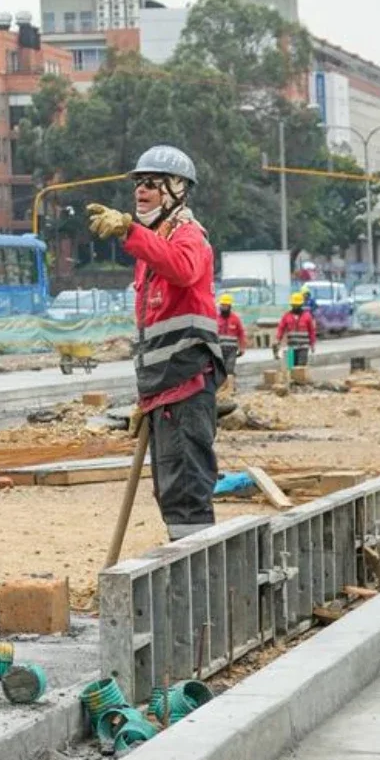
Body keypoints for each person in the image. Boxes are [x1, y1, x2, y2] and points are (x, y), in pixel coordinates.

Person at [86, 145, 224, 541]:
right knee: (169, 488)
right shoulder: (152, 248)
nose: (140, 191)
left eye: (151, 183)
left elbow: (183, 269)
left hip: (187, 385)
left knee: (186, 488)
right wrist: (146, 397)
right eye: (138, 184)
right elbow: (154, 332)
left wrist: (130, 231)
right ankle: (183, 556)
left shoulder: (189, 236)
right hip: (164, 389)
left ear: (177, 188)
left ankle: (195, 564)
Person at [276, 292, 318, 368]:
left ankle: (300, 375)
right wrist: (278, 339)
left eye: (297, 305)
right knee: (290, 367)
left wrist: (312, 344)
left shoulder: (307, 316)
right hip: (291, 346)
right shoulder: (287, 316)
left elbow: (311, 331)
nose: (295, 307)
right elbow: (281, 328)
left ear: (301, 305)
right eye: (294, 305)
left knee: (301, 367)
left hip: (303, 346)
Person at [216, 293, 247, 373]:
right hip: (218, 349)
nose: (223, 307)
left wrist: (242, 348)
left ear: (229, 306)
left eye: (225, 305)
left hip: (232, 350)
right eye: (222, 305)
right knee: (219, 370)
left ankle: (230, 379)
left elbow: (241, 334)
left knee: (229, 369)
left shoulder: (235, 319)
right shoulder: (216, 318)